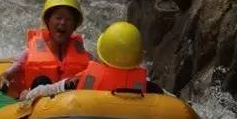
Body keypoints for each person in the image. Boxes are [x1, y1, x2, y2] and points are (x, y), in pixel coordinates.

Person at [20, 21, 148, 101]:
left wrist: (29, 95)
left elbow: (53, 89)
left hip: (86, 118)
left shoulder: (85, 78)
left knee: (41, 82)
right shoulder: (146, 85)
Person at [0, 0, 89, 95]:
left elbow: (97, 71)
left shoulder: (85, 55)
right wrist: (4, 78)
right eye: (58, 18)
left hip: (71, 103)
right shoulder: (28, 53)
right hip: (36, 103)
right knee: (41, 80)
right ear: (47, 21)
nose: (63, 23)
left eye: (68, 19)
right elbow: (8, 74)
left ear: (75, 25)